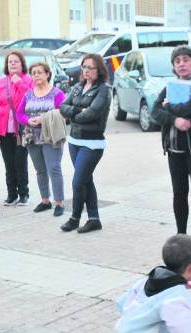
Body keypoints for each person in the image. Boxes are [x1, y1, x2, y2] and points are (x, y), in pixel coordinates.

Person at [150, 46, 191, 254]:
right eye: (177, 61)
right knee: (179, 193)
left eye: (186, 60)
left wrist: (169, 107)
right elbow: (154, 111)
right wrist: (174, 119)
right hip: (174, 149)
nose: (182, 64)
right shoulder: (170, 86)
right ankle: (181, 235)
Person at [59, 53, 111, 234]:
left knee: (78, 182)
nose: (87, 71)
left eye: (91, 67)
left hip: (92, 144)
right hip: (74, 141)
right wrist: (79, 110)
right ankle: (94, 219)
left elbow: (93, 114)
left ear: (99, 71)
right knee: (86, 180)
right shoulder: (77, 87)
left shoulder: (103, 90)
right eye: (84, 67)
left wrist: (75, 113)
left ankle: (74, 218)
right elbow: (62, 107)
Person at [16, 61, 67, 216]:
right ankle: (45, 201)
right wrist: (27, 121)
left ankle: (59, 203)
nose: (36, 75)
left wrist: (43, 119)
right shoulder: (28, 94)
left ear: (47, 74)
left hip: (51, 135)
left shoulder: (57, 93)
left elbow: (64, 113)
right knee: (40, 170)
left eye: (40, 72)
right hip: (32, 136)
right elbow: (19, 114)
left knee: (54, 169)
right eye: (34, 73)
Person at [0, 50, 34, 206]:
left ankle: (24, 194)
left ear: (22, 64)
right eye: (10, 61)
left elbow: (32, 98)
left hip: (22, 130)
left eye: (16, 61)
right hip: (4, 130)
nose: (12, 63)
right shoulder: (1, 82)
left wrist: (18, 82)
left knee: (20, 161)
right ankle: (11, 194)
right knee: (9, 163)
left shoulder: (28, 80)